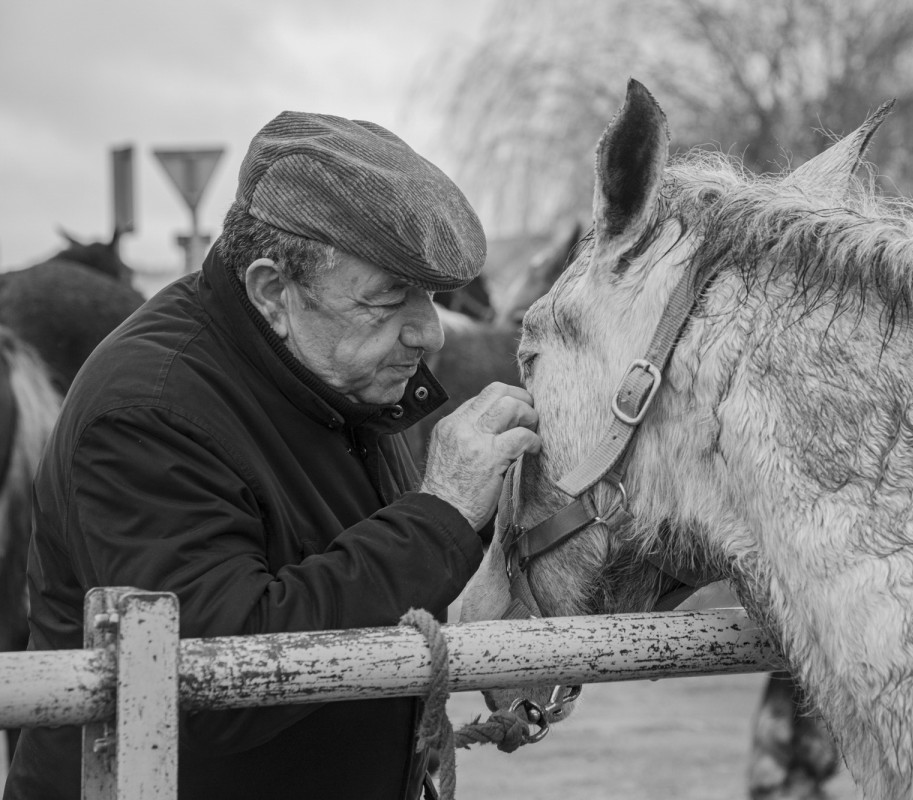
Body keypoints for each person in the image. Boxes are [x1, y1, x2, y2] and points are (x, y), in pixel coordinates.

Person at [3, 111, 540, 800]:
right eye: (389, 299)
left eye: (431, 295)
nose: (430, 331)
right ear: (271, 290)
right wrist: (442, 513)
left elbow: (360, 577)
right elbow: (222, 675)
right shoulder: (146, 411)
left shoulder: (330, 366)